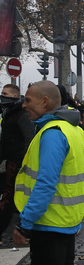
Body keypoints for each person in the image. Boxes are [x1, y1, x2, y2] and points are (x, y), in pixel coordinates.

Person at [12, 80, 84, 265]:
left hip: (48, 222)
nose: (23, 105)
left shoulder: (52, 133)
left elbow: (45, 183)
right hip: (65, 220)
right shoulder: (73, 129)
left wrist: (25, 223)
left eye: (28, 100)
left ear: (45, 102)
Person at [0, 84, 34, 244]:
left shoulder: (20, 114)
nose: (2, 96)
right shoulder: (10, 113)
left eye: (5, 94)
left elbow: (28, 138)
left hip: (16, 162)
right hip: (9, 160)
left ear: (14, 96)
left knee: (9, 196)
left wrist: (24, 162)